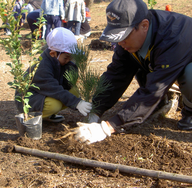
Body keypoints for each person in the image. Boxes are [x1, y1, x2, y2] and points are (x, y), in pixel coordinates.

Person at [74, 0, 192, 144]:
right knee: (134, 61)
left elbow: (153, 90)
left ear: (144, 26)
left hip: (185, 61)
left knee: (189, 74)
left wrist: (108, 127)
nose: (120, 43)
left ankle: (190, 110)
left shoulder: (173, 38)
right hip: (165, 65)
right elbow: (116, 74)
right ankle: (161, 103)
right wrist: (96, 110)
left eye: (123, 36)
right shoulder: (128, 41)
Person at [15, 27, 92, 122]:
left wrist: (73, 65)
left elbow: (66, 85)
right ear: (53, 53)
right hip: (29, 99)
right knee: (54, 105)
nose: (68, 60)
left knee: (74, 92)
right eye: (66, 57)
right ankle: (30, 117)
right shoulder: (42, 67)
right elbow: (55, 89)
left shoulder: (59, 61)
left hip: (43, 93)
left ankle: (48, 114)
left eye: (71, 57)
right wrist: (76, 103)